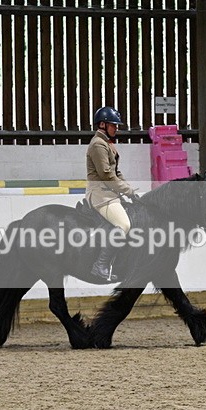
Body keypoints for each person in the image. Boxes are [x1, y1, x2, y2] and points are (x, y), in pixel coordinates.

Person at [86, 106, 137, 281]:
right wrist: (126, 190)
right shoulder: (98, 144)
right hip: (101, 194)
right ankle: (100, 265)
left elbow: (116, 172)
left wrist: (129, 190)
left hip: (110, 193)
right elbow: (106, 175)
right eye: (113, 125)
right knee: (124, 225)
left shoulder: (107, 144)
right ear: (102, 124)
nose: (116, 128)